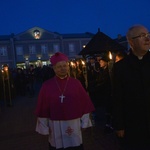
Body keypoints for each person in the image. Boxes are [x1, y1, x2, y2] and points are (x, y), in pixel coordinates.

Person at [35, 52, 95, 150]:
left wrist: (84, 123)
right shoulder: (47, 85)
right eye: (59, 67)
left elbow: (84, 104)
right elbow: (43, 107)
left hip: (74, 123)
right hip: (55, 124)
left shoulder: (76, 83)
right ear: (54, 69)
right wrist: (44, 127)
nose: (63, 69)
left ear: (68, 67)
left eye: (64, 66)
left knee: (75, 145)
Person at [112, 24, 150, 150]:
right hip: (133, 124)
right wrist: (119, 125)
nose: (147, 38)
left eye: (148, 35)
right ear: (131, 41)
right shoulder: (121, 67)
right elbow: (117, 97)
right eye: (142, 36)